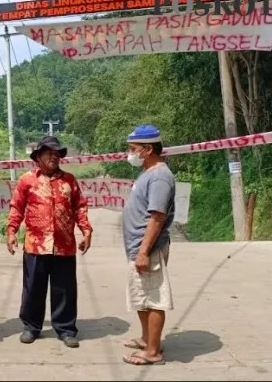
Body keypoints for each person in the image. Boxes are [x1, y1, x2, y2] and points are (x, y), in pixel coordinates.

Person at [6, 136, 93, 348]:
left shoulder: (69, 180)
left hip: (64, 245)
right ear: (38, 156)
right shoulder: (27, 180)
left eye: (57, 153)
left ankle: (65, 328)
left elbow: (79, 207)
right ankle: (31, 326)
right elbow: (16, 207)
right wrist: (11, 231)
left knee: (64, 289)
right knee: (33, 288)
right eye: (49, 153)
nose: (54, 157)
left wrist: (86, 230)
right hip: (36, 244)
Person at [120, 125, 176, 366]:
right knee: (142, 296)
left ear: (148, 149)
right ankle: (146, 339)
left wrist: (144, 251)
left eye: (133, 149)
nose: (130, 154)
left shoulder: (160, 176)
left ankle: (153, 352)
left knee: (153, 298)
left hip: (148, 249)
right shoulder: (147, 172)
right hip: (138, 248)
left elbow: (157, 217)